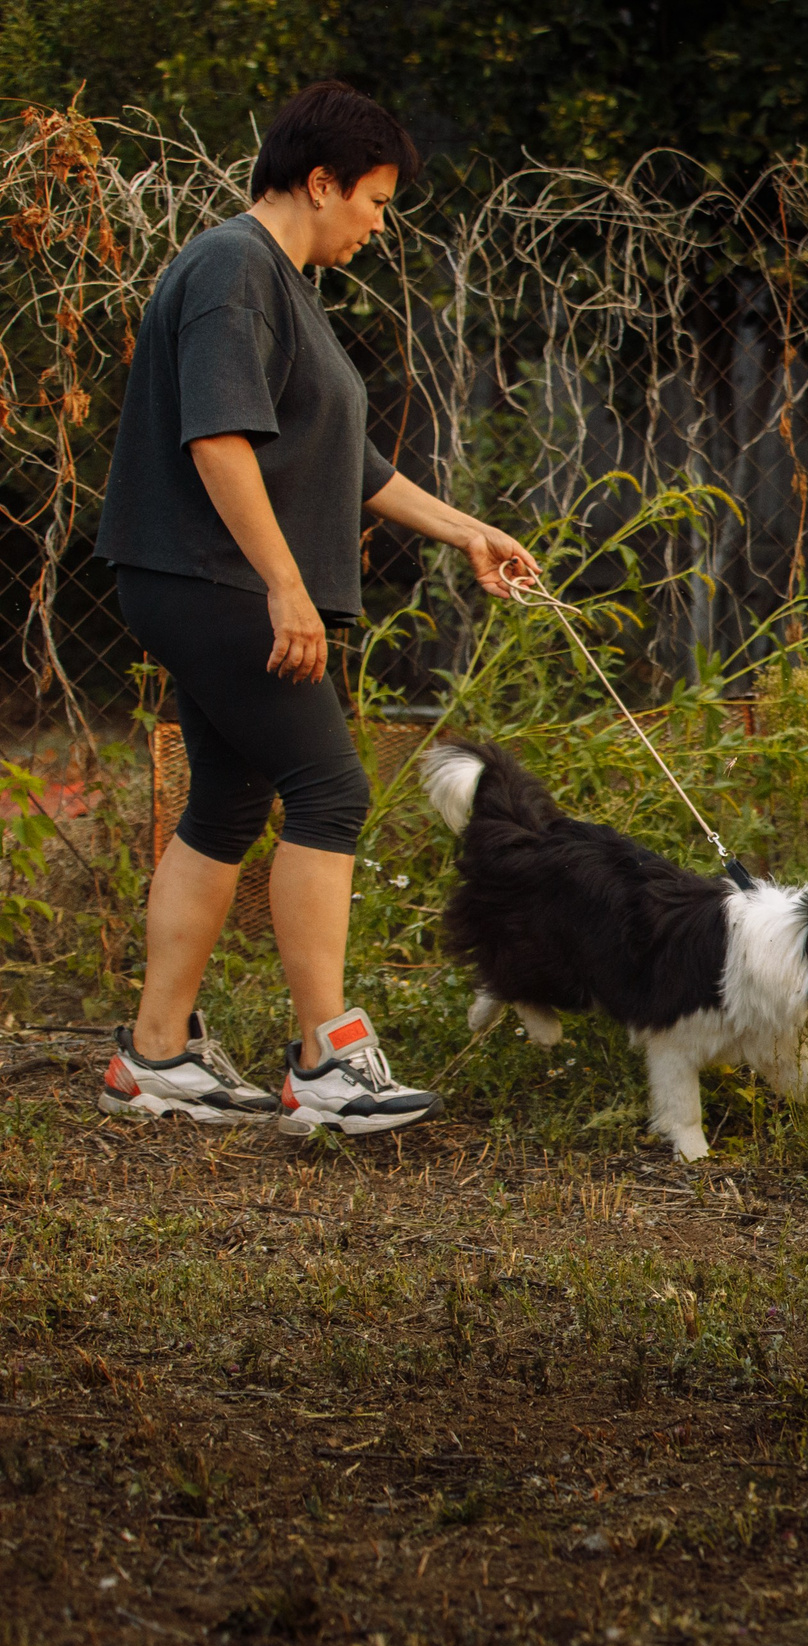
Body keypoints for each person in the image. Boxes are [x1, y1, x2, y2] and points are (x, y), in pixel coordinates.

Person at [95, 81, 539, 1136]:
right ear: (321, 181)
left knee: (231, 804)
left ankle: (154, 1058)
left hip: (213, 577)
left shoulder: (285, 287)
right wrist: (286, 585)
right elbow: (218, 440)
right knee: (331, 789)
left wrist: (467, 529)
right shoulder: (231, 270)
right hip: (211, 577)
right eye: (375, 202)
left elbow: (357, 468)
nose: (378, 227)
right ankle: (326, 1060)